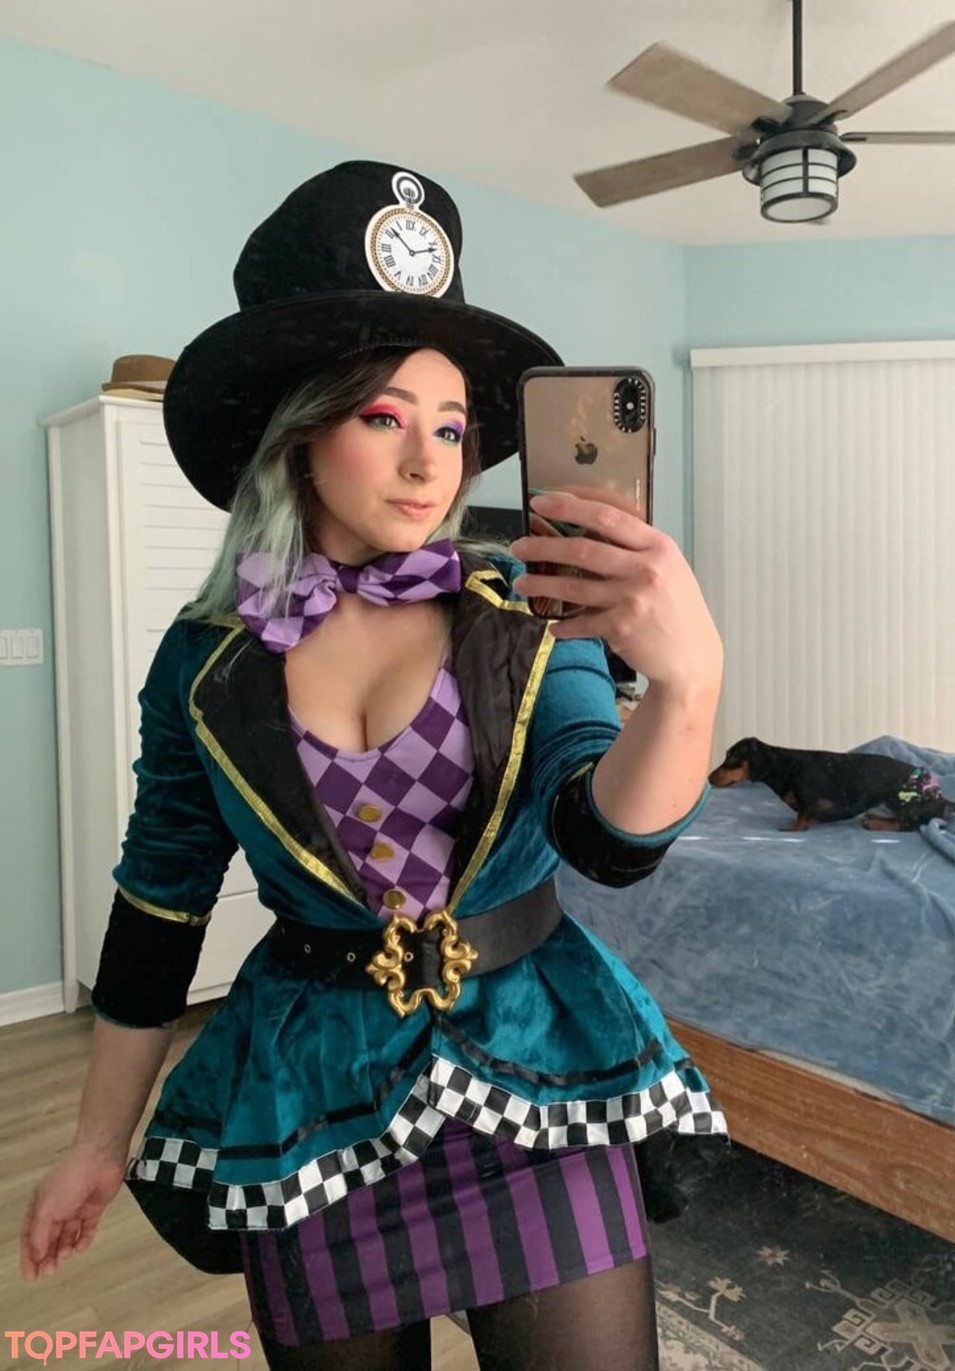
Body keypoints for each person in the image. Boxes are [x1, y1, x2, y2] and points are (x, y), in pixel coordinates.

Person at [20, 161, 726, 1370]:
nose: (430, 463)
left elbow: (606, 838)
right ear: (299, 431)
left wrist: (687, 687)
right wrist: (96, 1144)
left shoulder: (521, 605)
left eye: (451, 427)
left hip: (536, 1072)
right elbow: (157, 907)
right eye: (386, 418)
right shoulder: (204, 662)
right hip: (314, 1096)